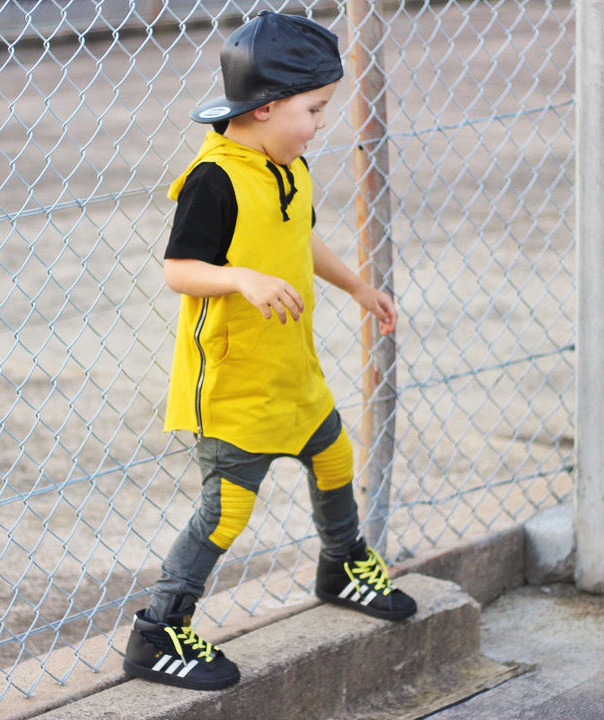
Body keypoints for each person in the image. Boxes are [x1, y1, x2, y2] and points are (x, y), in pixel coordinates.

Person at [122, 11, 417, 692]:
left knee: (334, 453)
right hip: (234, 383)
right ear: (263, 108)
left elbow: (300, 239)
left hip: (292, 371)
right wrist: (240, 279)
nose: (319, 124)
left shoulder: (288, 166)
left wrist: (357, 287)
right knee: (225, 509)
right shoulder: (215, 178)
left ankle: (342, 564)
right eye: (312, 110)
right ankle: (157, 630)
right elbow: (179, 269)